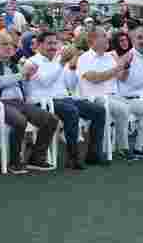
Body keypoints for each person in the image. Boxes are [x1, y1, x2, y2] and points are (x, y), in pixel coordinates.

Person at [0, 31, 59, 173]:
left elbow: (23, 83)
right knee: (20, 121)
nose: (9, 47)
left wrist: (26, 77)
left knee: (50, 119)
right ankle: (14, 162)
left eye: (11, 44)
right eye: (4, 44)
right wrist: (22, 75)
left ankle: (36, 158)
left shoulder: (14, 64)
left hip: (19, 103)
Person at [25, 31, 108, 169]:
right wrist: (62, 63)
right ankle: (73, 156)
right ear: (39, 45)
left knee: (98, 110)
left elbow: (70, 85)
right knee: (71, 111)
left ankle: (94, 154)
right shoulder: (32, 62)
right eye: (49, 43)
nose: (53, 46)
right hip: (43, 101)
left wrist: (72, 67)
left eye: (55, 43)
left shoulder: (59, 61)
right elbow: (46, 82)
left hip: (64, 98)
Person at [77, 27, 143, 159]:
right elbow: (95, 78)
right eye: (103, 36)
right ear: (92, 40)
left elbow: (122, 78)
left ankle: (140, 146)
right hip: (96, 99)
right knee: (123, 108)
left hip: (116, 97)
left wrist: (126, 67)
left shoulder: (110, 57)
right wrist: (118, 67)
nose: (107, 38)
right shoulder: (84, 58)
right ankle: (123, 148)